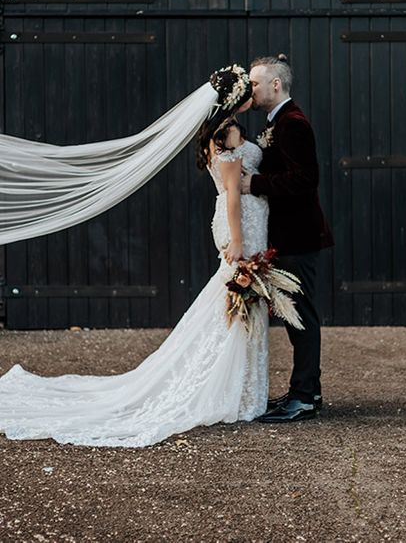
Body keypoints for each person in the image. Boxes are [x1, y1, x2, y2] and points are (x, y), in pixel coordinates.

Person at [0, 66, 285, 447]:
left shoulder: (218, 132)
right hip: (241, 225)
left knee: (234, 301)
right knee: (238, 302)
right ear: (234, 99)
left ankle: (242, 388)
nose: (252, 91)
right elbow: (233, 193)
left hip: (240, 220)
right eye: (246, 87)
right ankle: (239, 392)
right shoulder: (229, 133)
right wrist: (237, 240)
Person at [242, 54, 334, 423]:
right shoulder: (276, 121)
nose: (252, 89)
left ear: (275, 85)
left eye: (255, 83)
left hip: (299, 236)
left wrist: (256, 184)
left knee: (301, 318)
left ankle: (305, 398)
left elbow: (305, 179)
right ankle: (304, 391)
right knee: (294, 317)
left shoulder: (292, 123)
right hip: (286, 236)